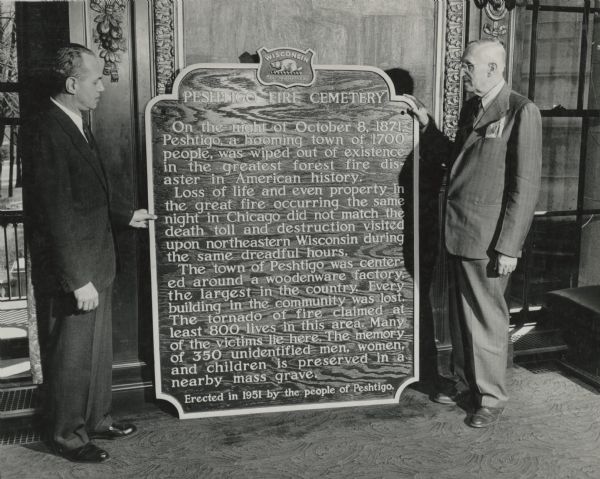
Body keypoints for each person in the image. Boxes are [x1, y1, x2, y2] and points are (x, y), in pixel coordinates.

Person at [22, 44, 156, 462]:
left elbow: (86, 194)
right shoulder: (46, 130)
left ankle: (97, 420)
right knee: (71, 358)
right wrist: (77, 277)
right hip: (76, 270)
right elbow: (55, 211)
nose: (102, 88)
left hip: (97, 259)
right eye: (96, 80)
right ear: (71, 83)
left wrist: (124, 215)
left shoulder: (75, 123)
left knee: (95, 354)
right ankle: (67, 437)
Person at [407, 39, 542, 428]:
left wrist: (510, 246)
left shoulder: (521, 111)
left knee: (486, 320)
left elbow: (525, 186)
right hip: (460, 230)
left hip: (489, 239)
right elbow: (459, 158)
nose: (462, 71)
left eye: (468, 65)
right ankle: (469, 385)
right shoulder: (474, 107)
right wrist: (428, 126)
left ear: (492, 68)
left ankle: (492, 397)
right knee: (462, 319)